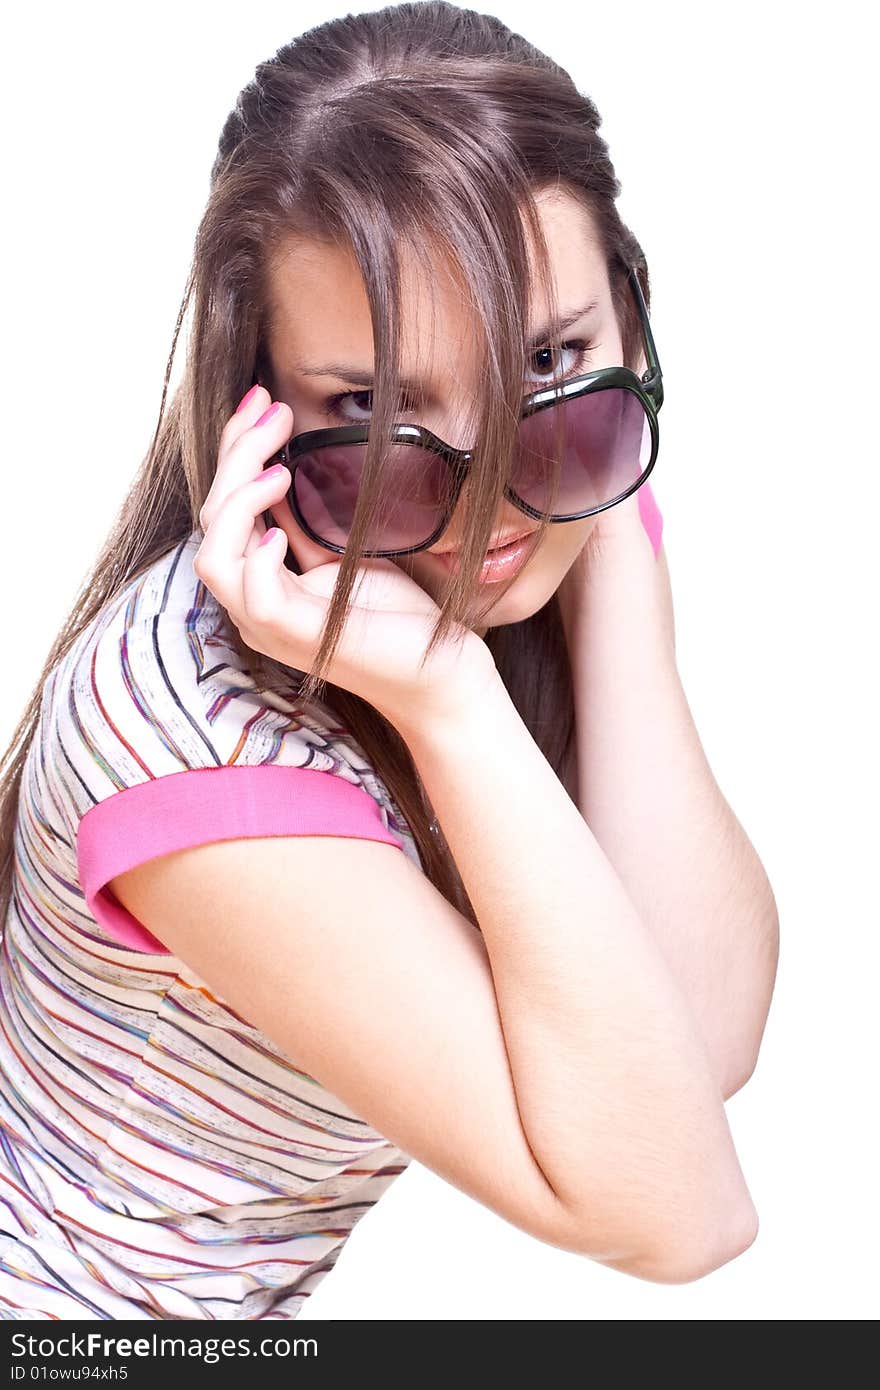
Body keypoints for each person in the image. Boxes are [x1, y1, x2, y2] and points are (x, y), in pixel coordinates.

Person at [0, 1, 778, 1320]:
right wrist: (454, 698)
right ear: (259, 402)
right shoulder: (193, 729)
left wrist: (610, 530)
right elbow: (683, 1212)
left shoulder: (558, 510)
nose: (487, 507)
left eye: (547, 361)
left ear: (630, 325)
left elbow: (694, 1051)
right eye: (371, 411)